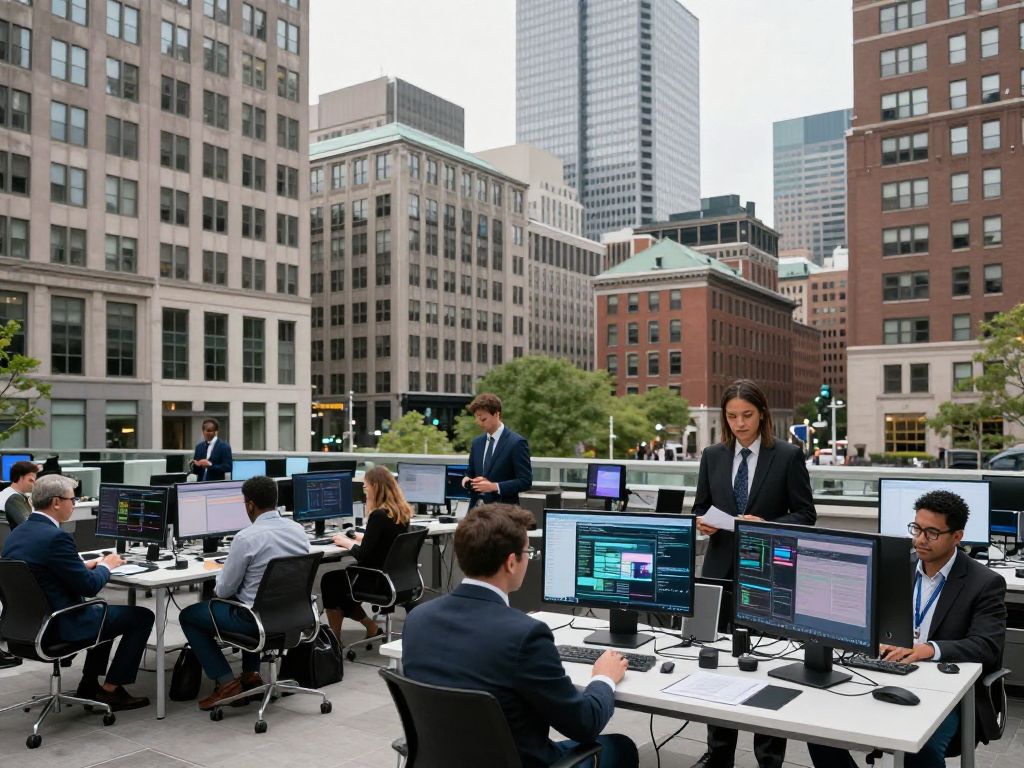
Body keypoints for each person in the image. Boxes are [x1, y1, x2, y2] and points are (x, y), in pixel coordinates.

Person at [403, 504, 638, 768]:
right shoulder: (525, 635)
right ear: (511, 562)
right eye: (528, 552)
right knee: (621, 747)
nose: (529, 558)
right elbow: (585, 724)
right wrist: (604, 677)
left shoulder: (417, 619)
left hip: (444, 759)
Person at [807, 490, 1007, 768]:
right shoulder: (898, 566)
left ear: (957, 536)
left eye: (932, 533)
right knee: (817, 728)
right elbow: (867, 614)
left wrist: (928, 649)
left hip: (947, 692)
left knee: (919, 748)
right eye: (917, 528)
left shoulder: (984, 582)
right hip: (886, 671)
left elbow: (987, 645)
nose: (920, 539)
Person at [690, 379, 817, 768]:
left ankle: (768, 757)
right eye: (732, 416)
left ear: (761, 413)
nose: (740, 423)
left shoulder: (787, 456)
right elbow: (700, 507)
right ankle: (719, 753)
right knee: (720, 661)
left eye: (746, 415)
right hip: (720, 571)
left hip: (769, 572)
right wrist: (702, 523)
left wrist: (765, 524)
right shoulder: (712, 454)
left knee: (766, 664)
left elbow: (806, 515)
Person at [1, 474, 154, 710]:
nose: (75, 504)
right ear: (56, 502)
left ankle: (89, 684)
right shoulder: (57, 537)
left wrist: (83, 566)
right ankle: (111, 690)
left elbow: (39, 570)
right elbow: (90, 586)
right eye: (73, 500)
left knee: (106, 616)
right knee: (141, 616)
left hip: (24, 626)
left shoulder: (17, 534)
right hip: (59, 625)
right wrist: (106, 565)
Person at [179, 475, 309, 710]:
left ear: (250, 505)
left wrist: (221, 570)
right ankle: (251, 675)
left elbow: (223, 590)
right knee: (249, 598)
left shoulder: (246, 537)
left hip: (256, 622)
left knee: (189, 615)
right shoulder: (298, 530)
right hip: (294, 616)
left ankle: (228, 683)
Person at [320, 466, 411, 641]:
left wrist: (345, 542)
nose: (365, 490)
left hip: (375, 579)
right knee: (339, 586)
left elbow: (363, 556)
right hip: (395, 576)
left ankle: (335, 642)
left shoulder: (378, 515)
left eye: (365, 486)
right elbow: (387, 541)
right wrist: (361, 537)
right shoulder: (401, 512)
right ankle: (370, 626)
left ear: (375, 487)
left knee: (330, 582)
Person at [461, 393, 532, 507]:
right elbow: (470, 472)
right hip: (477, 513)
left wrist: (494, 486)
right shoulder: (477, 443)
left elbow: (525, 481)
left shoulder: (516, 443)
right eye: (477, 419)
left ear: (497, 414)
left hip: (503, 513)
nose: (479, 423)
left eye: (483, 419)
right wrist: (467, 479)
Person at [1, 459, 37, 529]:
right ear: (20, 478)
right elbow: (28, 526)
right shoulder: (12, 498)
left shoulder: (12, 494)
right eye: (31, 480)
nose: (34, 484)